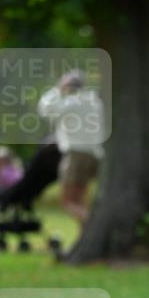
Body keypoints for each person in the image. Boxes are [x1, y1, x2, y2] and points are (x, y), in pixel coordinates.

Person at [37, 69, 105, 228]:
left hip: (76, 155)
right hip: (95, 155)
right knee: (81, 200)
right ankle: (85, 235)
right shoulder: (95, 101)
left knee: (68, 202)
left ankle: (95, 225)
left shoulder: (70, 103)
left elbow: (44, 109)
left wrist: (57, 90)